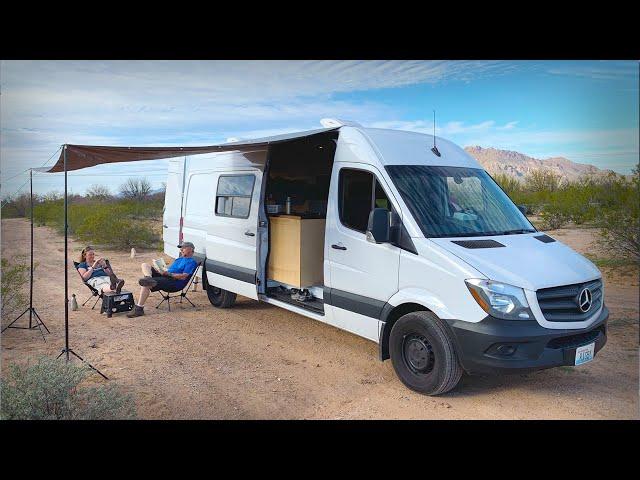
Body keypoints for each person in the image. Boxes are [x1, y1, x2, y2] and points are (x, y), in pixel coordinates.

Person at [127, 241, 198, 318]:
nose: (181, 249)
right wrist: (161, 270)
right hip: (165, 276)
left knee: (146, 284)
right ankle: (148, 278)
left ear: (190, 249)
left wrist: (169, 274)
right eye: (181, 248)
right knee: (145, 265)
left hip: (174, 282)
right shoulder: (179, 259)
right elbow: (170, 269)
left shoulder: (191, 262)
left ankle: (139, 309)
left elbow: (184, 276)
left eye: (183, 248)